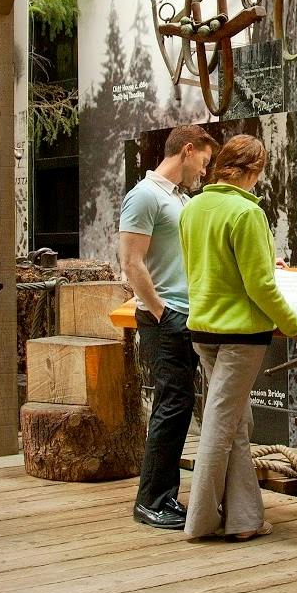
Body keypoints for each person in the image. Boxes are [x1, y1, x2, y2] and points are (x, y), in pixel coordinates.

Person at [178, 134, 297, 542]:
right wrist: (295, 325)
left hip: (202, 329)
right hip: (241, 336)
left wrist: (262, 260)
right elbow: (261, 287)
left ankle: (244, 519)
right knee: (222, 425)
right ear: (254, 171)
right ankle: (200, 521)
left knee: (233, 422)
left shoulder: (193, 208)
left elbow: (208, 266)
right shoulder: (247, 213)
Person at [120, 125, 218, 530]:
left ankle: (163, 496)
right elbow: (130, 262)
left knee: (177, 408)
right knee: (171, 406)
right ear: (188, 150)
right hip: (166, 318)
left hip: (185, 315)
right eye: (205, 163)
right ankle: (152, 501)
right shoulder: (144, 195)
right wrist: (163, 313)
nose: (205, 172)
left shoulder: (178, 198)